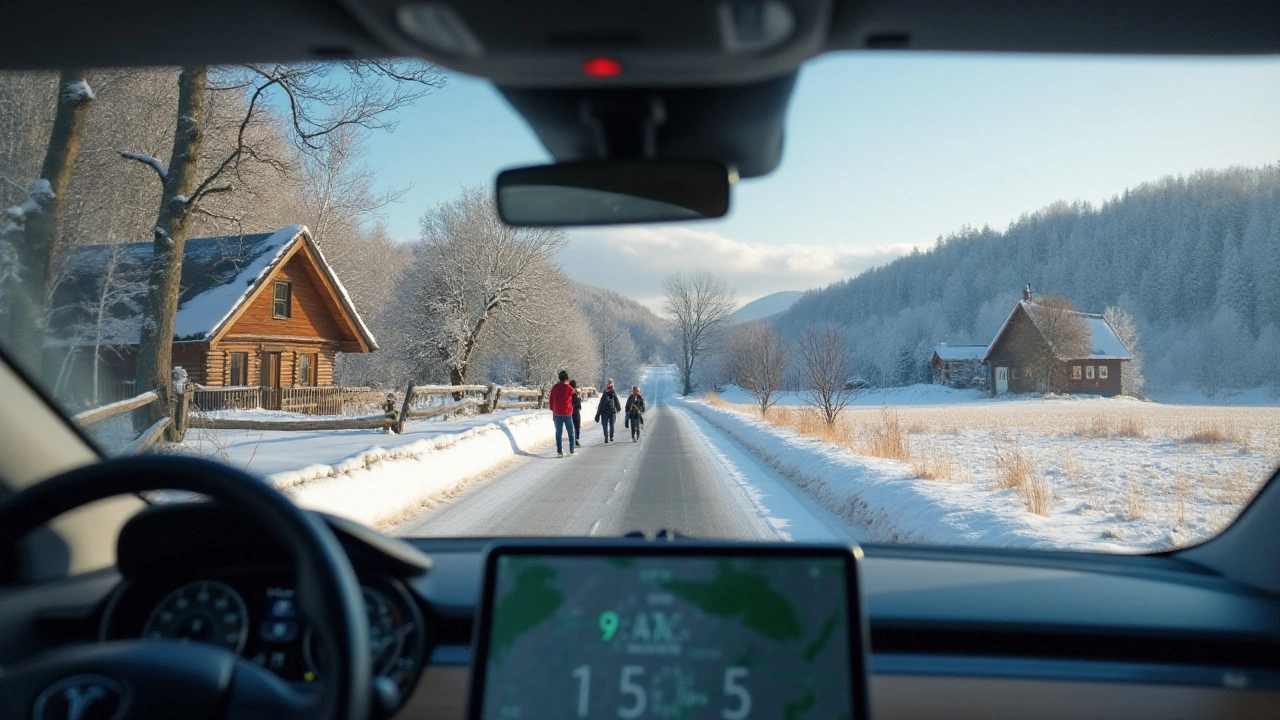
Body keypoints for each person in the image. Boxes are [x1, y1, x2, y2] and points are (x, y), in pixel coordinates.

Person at [548, 370, 576, 457]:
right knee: (570, 432)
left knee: (558, 433)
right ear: (566, 379)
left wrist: (553, 410)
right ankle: (572, 449)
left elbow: (551, 400)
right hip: (567, 413)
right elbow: (573, 392)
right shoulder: (568, 388)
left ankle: (559, 451)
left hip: (557, 413)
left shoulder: (554, 388)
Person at [568, 379, 582, 444]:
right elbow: (577, 402)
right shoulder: (575, 393)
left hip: (569, 411)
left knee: (571, 426)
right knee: (577, 425)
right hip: (576, 411)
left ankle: (573, 438)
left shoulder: (568, 392)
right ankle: (576, 438)